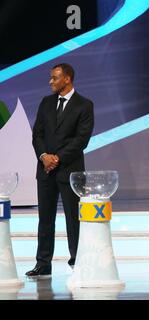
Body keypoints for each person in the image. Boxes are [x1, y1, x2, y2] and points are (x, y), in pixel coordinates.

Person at [26, 63, 94, 278]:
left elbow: (81, 139)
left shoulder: (84, 105)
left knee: (73, 218)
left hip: (70, 170)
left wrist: (58, 158)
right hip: (45, 170)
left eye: (55, 78)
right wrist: (44, 156)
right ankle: (43, 263)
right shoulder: (46, 102)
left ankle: (77, 261)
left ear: (67, 79)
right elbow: (37, 134)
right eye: (51, 78)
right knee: (45, 219)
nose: (50, 82)